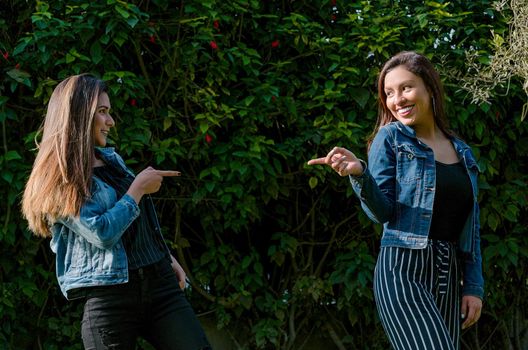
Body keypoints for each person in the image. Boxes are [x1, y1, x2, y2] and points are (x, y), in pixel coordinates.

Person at [307, 51, 483, 349]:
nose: (397, 99)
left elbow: (471, 226)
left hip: (448, 275)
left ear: (429, 87)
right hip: (403, 269)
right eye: (389, 93)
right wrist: (360, 174)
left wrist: (474, 286)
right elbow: (382, 212)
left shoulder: (462, 152)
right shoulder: (390, 139)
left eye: (406, 88)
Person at [22, 74, 211, 350]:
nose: (110, 121)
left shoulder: (110, 160)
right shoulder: (59, 179)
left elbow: (134, 225)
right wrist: (137, 189)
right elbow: (102, 232)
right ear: (77, 115)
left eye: (109, 112)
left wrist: (164, 255)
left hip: (159, 286)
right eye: (102, 112)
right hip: (110, 299)